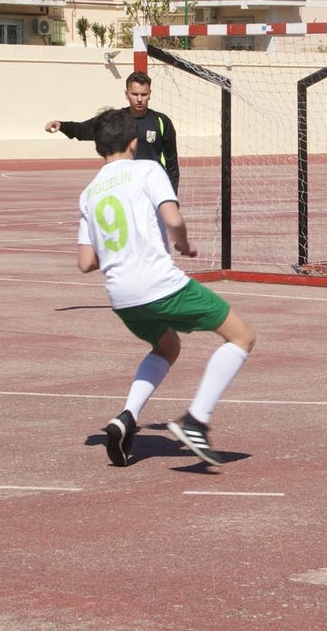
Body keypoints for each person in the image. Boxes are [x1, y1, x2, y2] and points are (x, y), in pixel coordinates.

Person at [77, 109, 254, 467]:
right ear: (133, 142)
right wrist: (184, 244)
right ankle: (196, 421)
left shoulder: (89, 192)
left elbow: (85, 262)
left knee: (167, 345)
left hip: (122, 297)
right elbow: (172, 217)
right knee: (241, 336)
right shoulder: (147, 169)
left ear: (99, 148)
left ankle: (126, 416)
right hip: (158, 283)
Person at [47, 71, 180, 192]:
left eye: (144, 94)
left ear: (150, 94)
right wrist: (62, 125)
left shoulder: (162, 122)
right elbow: (83, 129)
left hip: (152, 186)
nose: (139, 99)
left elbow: (172, 164)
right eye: (134, 94)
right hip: (124, 187)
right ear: (126, 94)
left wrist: (171, 194)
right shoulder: (116, 119)